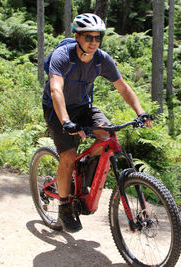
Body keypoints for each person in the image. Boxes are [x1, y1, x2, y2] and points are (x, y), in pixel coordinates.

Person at [42, 13, 151, 232]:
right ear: (77, 37)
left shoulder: (102, 59)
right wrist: (66, 121)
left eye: (97, 38)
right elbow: (56, 90)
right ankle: (64, 206)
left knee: (109, 139)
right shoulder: (63, 56)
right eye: (88, 37)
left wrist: (141, 112)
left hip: (84, 107)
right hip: (58, 109)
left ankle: (82, 172)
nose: (93, 42)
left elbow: (123, 88)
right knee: (68, 156)